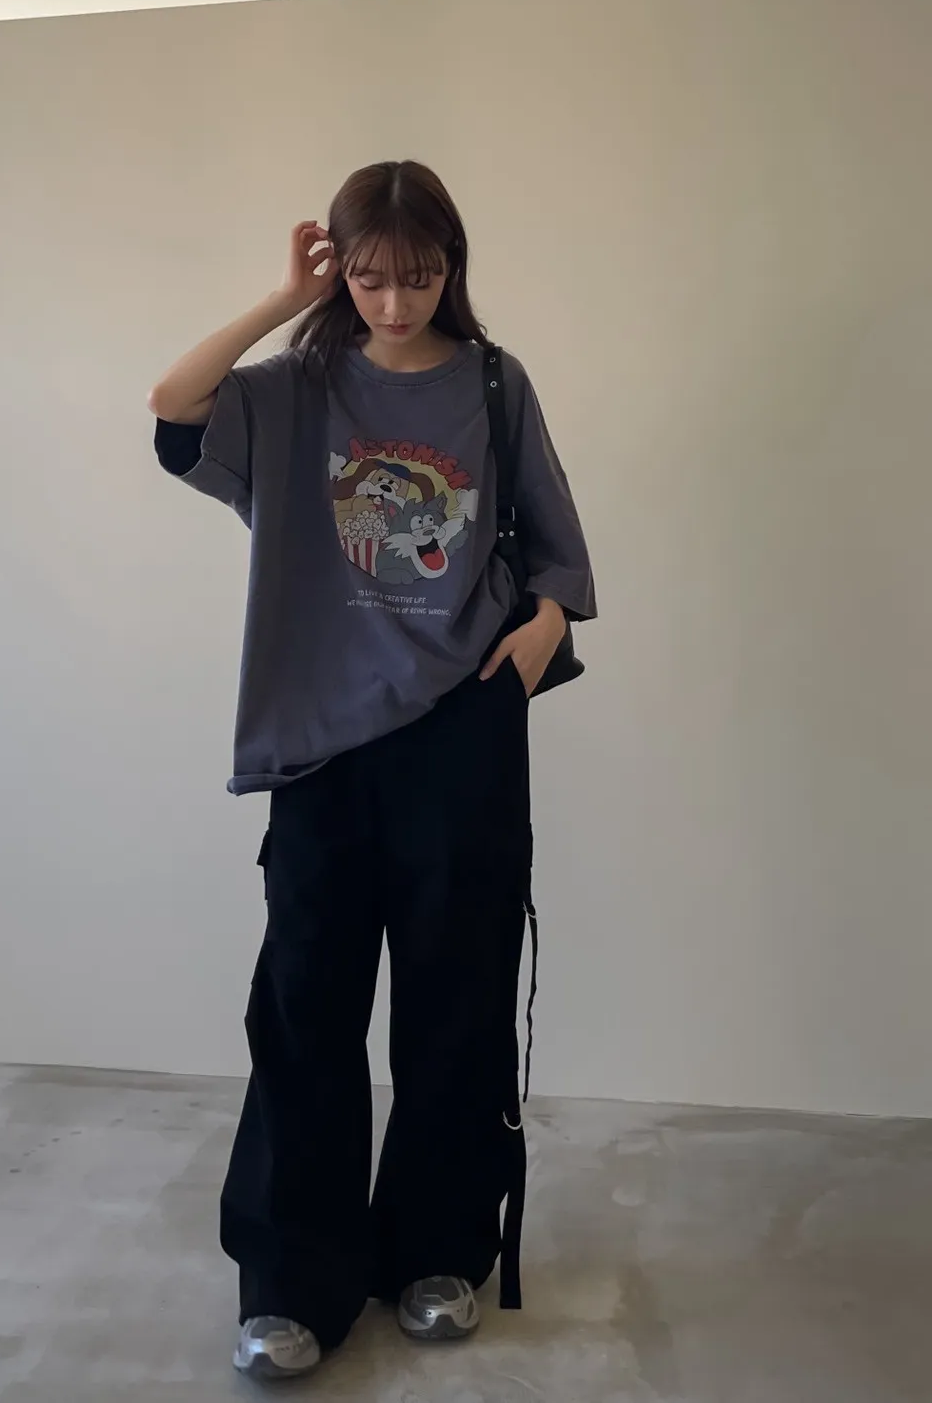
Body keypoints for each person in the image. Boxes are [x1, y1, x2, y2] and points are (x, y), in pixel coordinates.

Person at [147, 160, 596, 1381]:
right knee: (304, 1009)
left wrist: (542, 629)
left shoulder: (494, 383)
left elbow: (558, 550)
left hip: (460, 728)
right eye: (369, 277)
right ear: (337, 270)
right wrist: (281, 301)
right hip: (320, 738)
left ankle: (437, 1250)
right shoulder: (296, 388)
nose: (395, 303)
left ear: (454, 268)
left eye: (420, 276)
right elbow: (173, 409)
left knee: (454, 998)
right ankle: (292, 1280)